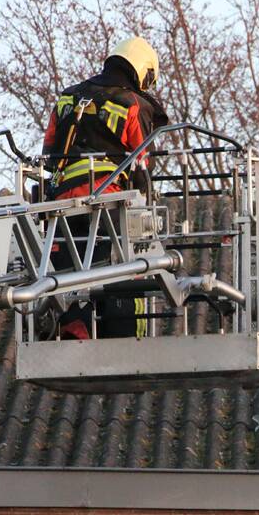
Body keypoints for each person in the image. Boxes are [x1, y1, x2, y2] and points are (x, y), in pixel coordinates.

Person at [41, 37, 169, 340]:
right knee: (123, 267)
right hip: (108, 201)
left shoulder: (67, 98)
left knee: (67, 267)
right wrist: (144, 203)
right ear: (142, 69)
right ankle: (126, 336)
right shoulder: (133, 104)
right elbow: (140, 161)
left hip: (61, 202)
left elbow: (49, 152)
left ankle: (75, 324)